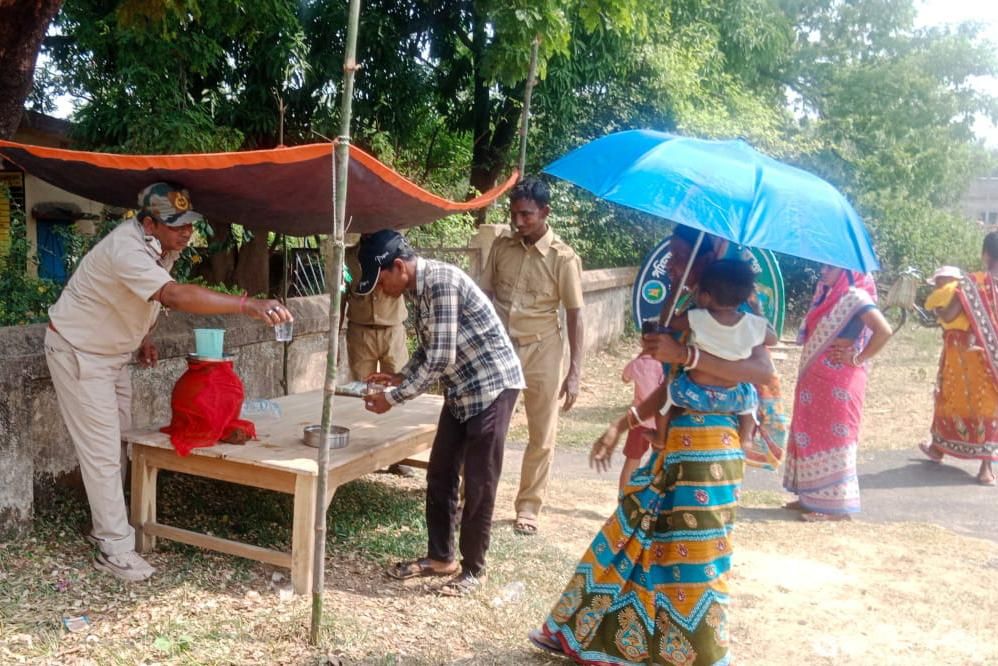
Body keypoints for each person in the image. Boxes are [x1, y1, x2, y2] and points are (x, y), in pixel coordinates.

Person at [527, 226, 778, 665]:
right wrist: (621, 424)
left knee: (691, 552)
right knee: (633, 532)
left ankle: (696, 652)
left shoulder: (725, 311)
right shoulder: (691, 307)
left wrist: (688, 354)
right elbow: (670, 383)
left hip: (706, 453)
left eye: (681, 257)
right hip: (676, 446)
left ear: (707, 259)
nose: (674, 266)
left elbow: (761, 372)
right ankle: (579, 630)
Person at [44, 182, 293, 582]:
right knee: (103, 452)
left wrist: (144, 337)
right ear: (148, 224)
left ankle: (105, 526)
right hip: (80, 352)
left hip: (111, 353)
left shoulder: (159, 246)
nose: (187, 232)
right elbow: (172, 295)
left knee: (119, 441)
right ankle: (114, 549)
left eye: (189, 223)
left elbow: (142, 297)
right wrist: (247, 304)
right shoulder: (126, 248)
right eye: (176, 225)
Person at [358, 229, 525, 596]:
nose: (380, 288)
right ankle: (440, 558)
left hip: (492, 387)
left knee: (479, 482)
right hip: (460, 389)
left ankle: (473, 570)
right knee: (440, 472)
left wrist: (394, 397)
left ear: (399, 266)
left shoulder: (441, 282)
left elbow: (440, 358)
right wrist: (401, 375)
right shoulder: (416, 289)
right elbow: (428, 346)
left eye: (381, 279)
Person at [480, 176, 584, 536]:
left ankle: (528, 506)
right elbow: (485, 294)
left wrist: (575, 372)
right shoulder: (502, 246)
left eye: (526, 215)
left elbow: (576, 315)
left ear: (545, 212)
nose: (518, 221)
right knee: (488, 428)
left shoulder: (563, 258)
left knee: (541, 433)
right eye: (514, 214)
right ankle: (473, 497)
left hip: (544, 349)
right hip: (501, 349)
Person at [783, 264, 892, 521]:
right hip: (815, 382)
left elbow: (884, 331)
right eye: (823, 265)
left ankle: (835, 508)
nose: (823, 271)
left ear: (848, 273)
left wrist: (857, 358)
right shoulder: (827, 295)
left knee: (835, 438)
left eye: (830, 267)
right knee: (810, 434)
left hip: (839, 384)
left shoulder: (857, 297)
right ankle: (810, 497)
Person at [658, 258, 777, 451]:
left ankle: (659, 437)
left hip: (694, 393)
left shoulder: (697, 317)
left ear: (705, 297)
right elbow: (773, 339)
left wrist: (676, 293)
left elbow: (669, 324)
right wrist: (758, 312)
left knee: (666, 394)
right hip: (733, 398)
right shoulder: (753, 324)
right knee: (751, 398)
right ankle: (745, 437)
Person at [919, 234, 998, 485]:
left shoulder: (971, 283)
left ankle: (939, 448)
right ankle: (985, 469)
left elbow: (951, 315)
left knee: (951, 397)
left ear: (985, 254)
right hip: (993, 354)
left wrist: (938, 308)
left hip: (966, 353)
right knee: (991, 406)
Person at [343, 238, 409, 381]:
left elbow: (408, 282)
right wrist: (336, 334)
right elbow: (342, 291)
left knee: (397, 385)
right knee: (361, 386)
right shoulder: (348, 256)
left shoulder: (396, 250)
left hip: (393, 332)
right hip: (360, 334)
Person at [617, 339, 663, 491]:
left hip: (638, 420)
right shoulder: (664, 365)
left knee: (632, 459)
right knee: (658, 460)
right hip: (660, 421)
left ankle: (622, 497)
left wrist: (639, 358)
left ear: (641, 343)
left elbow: (625, 378)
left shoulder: (636, 364)